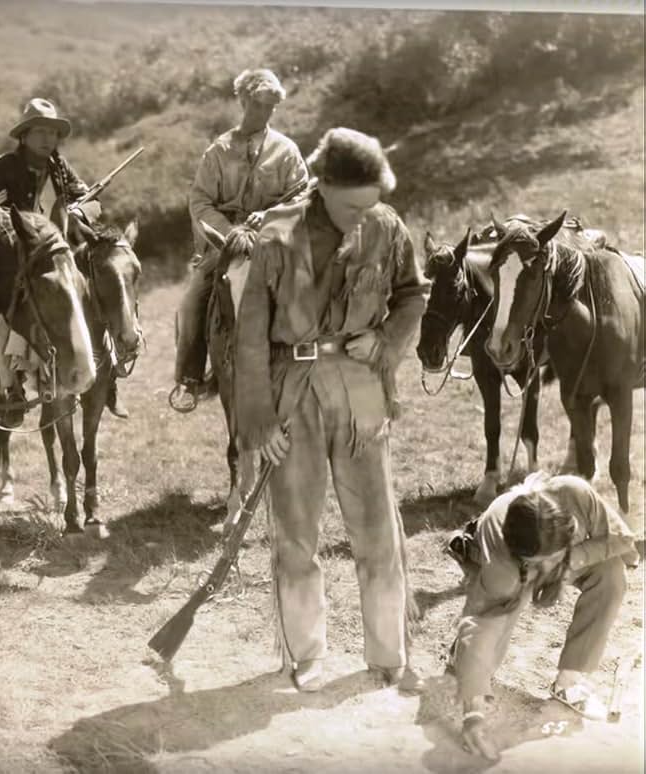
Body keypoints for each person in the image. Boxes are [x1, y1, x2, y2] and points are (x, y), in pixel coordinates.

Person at [232, 127, 429, 692]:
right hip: (290, 390)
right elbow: (248, 333)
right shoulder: (276, 234)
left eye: (372, 202)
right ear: (322, 187)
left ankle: (390, 656)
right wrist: (258, 418)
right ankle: (306, 656)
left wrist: (388, 340)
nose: (365, 215)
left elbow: (414, 293)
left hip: (360, 390)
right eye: (353, 205)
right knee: (295, 533)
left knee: (378, 531)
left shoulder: (385, 225)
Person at [448, 472, 638, 762]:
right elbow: (483, 625)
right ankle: (461, 657)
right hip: (507, 567)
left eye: (557, 552)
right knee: (492, 632)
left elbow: (622, 538)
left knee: (611, 574)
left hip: (557, 556)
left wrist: (570, 559)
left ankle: (568, 683)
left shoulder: (573, 493)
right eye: (545, 561)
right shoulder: (504, 568)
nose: (552, 565)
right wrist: (473, 715)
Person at [170, 68, 309, 411]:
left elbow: (302, 196)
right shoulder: (217, 152)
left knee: (312, 283)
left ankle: (313, 362)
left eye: (270, 108)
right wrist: (230, 234)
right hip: (225, 242)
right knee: (192, 299)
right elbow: (200, 201)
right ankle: (190, 378)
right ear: (243, 102)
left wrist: (271, 217)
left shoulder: (287, 151)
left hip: (274, 239)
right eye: (258, 105)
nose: (263, 113)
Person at [0, 98, 127, 420]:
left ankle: (110, 377)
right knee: (1, 316)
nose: (48, 138)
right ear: (25, 135)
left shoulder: (60, 167)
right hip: (19, 255)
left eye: (53, 132)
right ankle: (10, 387)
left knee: (103, 297)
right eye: (41, 131)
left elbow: (93, 202)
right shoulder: (2, 167)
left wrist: (80, 210)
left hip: (60, 255)